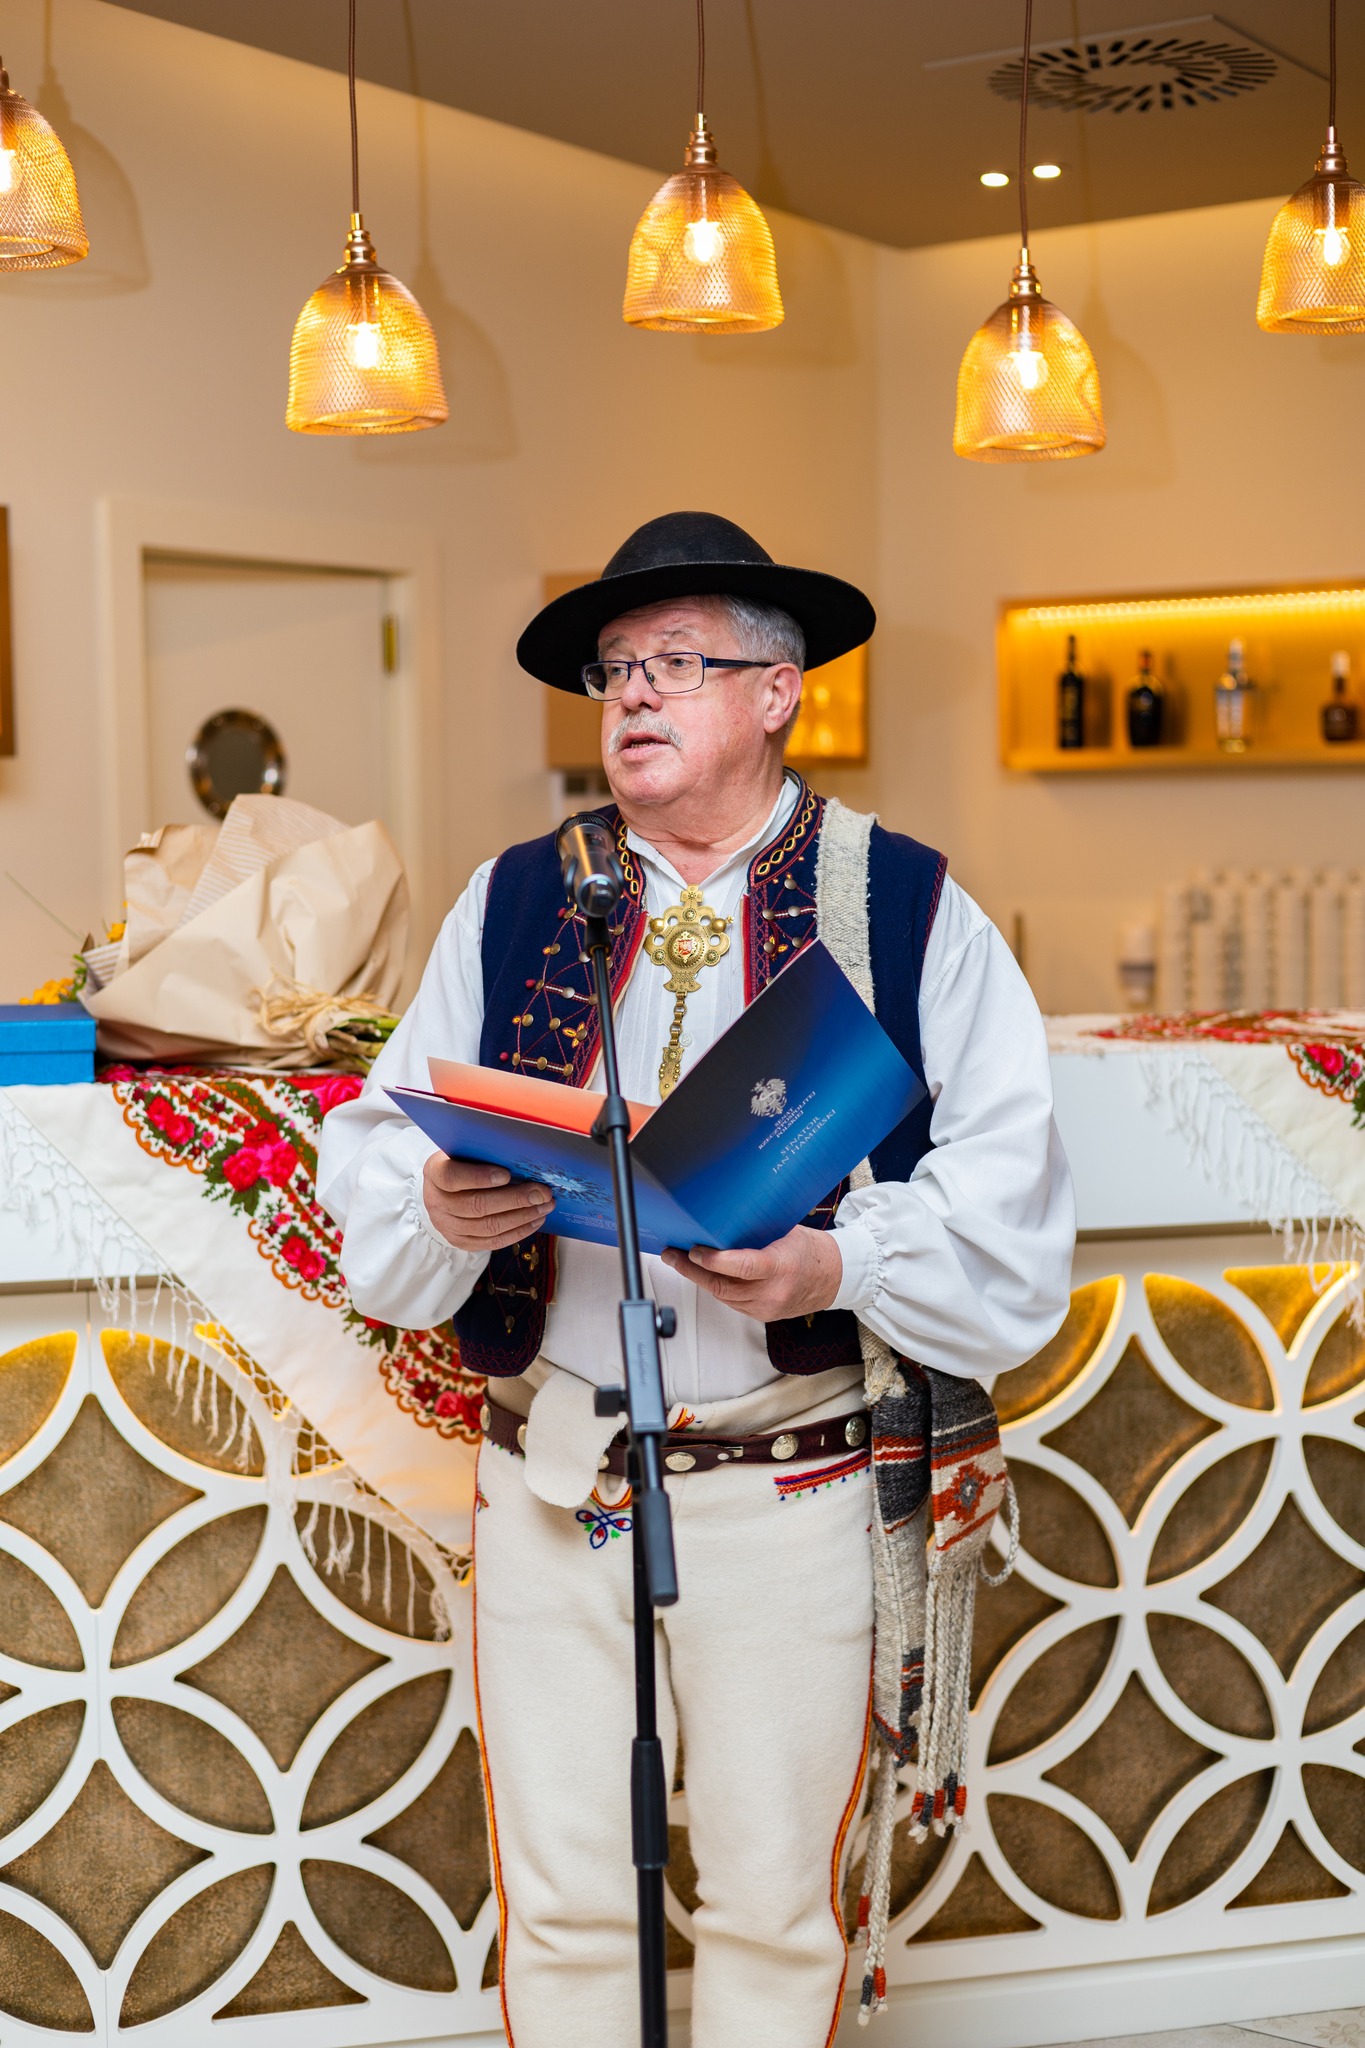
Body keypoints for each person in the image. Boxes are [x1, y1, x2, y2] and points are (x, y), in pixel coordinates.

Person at [317, 511, 1074, 2048]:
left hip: (789, 1484)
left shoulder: (907, 906)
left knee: (771, 1906)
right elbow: (381, 1150)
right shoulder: (513, 899)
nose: (633, 696)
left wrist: (833, 1262)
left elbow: (1009, 1204)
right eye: (613, 672)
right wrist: (445, 1204)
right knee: (565, 1900)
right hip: (552, 1472)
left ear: (778, 692)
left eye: (674, 662)